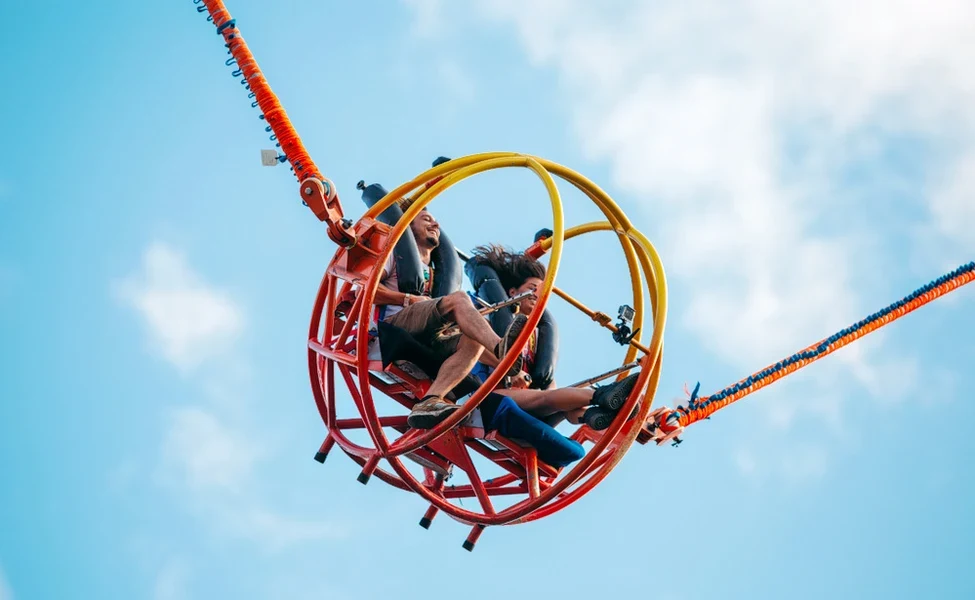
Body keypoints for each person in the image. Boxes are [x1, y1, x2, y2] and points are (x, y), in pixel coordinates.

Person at [373, 207, 530, 430]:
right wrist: (407, 298)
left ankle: (430, 401)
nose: (435, 225)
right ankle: (503, 352)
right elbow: (365, 292)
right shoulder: (396, 257)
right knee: (459, 299)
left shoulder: (436, 273)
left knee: (474, 339)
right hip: (394, 323)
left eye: (436, 221)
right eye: (426, 219)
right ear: (409, 226)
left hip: (427, 334)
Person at [463, 244, 641, 431]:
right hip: (488, 394)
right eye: (532, 289)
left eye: (541, 294)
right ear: (513, 292)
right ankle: (601, 395)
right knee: (547, 399)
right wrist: (511, 370)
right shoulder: (491, 313)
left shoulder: (539, 337)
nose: (536, 296)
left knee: (557, 400)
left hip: (529, 401)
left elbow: (549, 385)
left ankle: (595, 415)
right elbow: (472, 346)